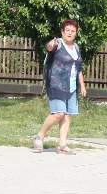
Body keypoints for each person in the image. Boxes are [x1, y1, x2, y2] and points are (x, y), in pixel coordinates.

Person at [32, 19, 88, 154]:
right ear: (62, 32)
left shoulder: (76, 48)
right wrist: (50, 45)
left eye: (72, 31)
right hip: (56, 84)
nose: (70, 33)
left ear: (76, 33)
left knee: (67, 115)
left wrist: (82, 85)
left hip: (71, 86)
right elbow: (50, 47)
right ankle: (39, 136)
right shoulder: (58, 44)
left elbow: (78, 68)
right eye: (67, 30)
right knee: (58, 113)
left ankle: (62, 145)